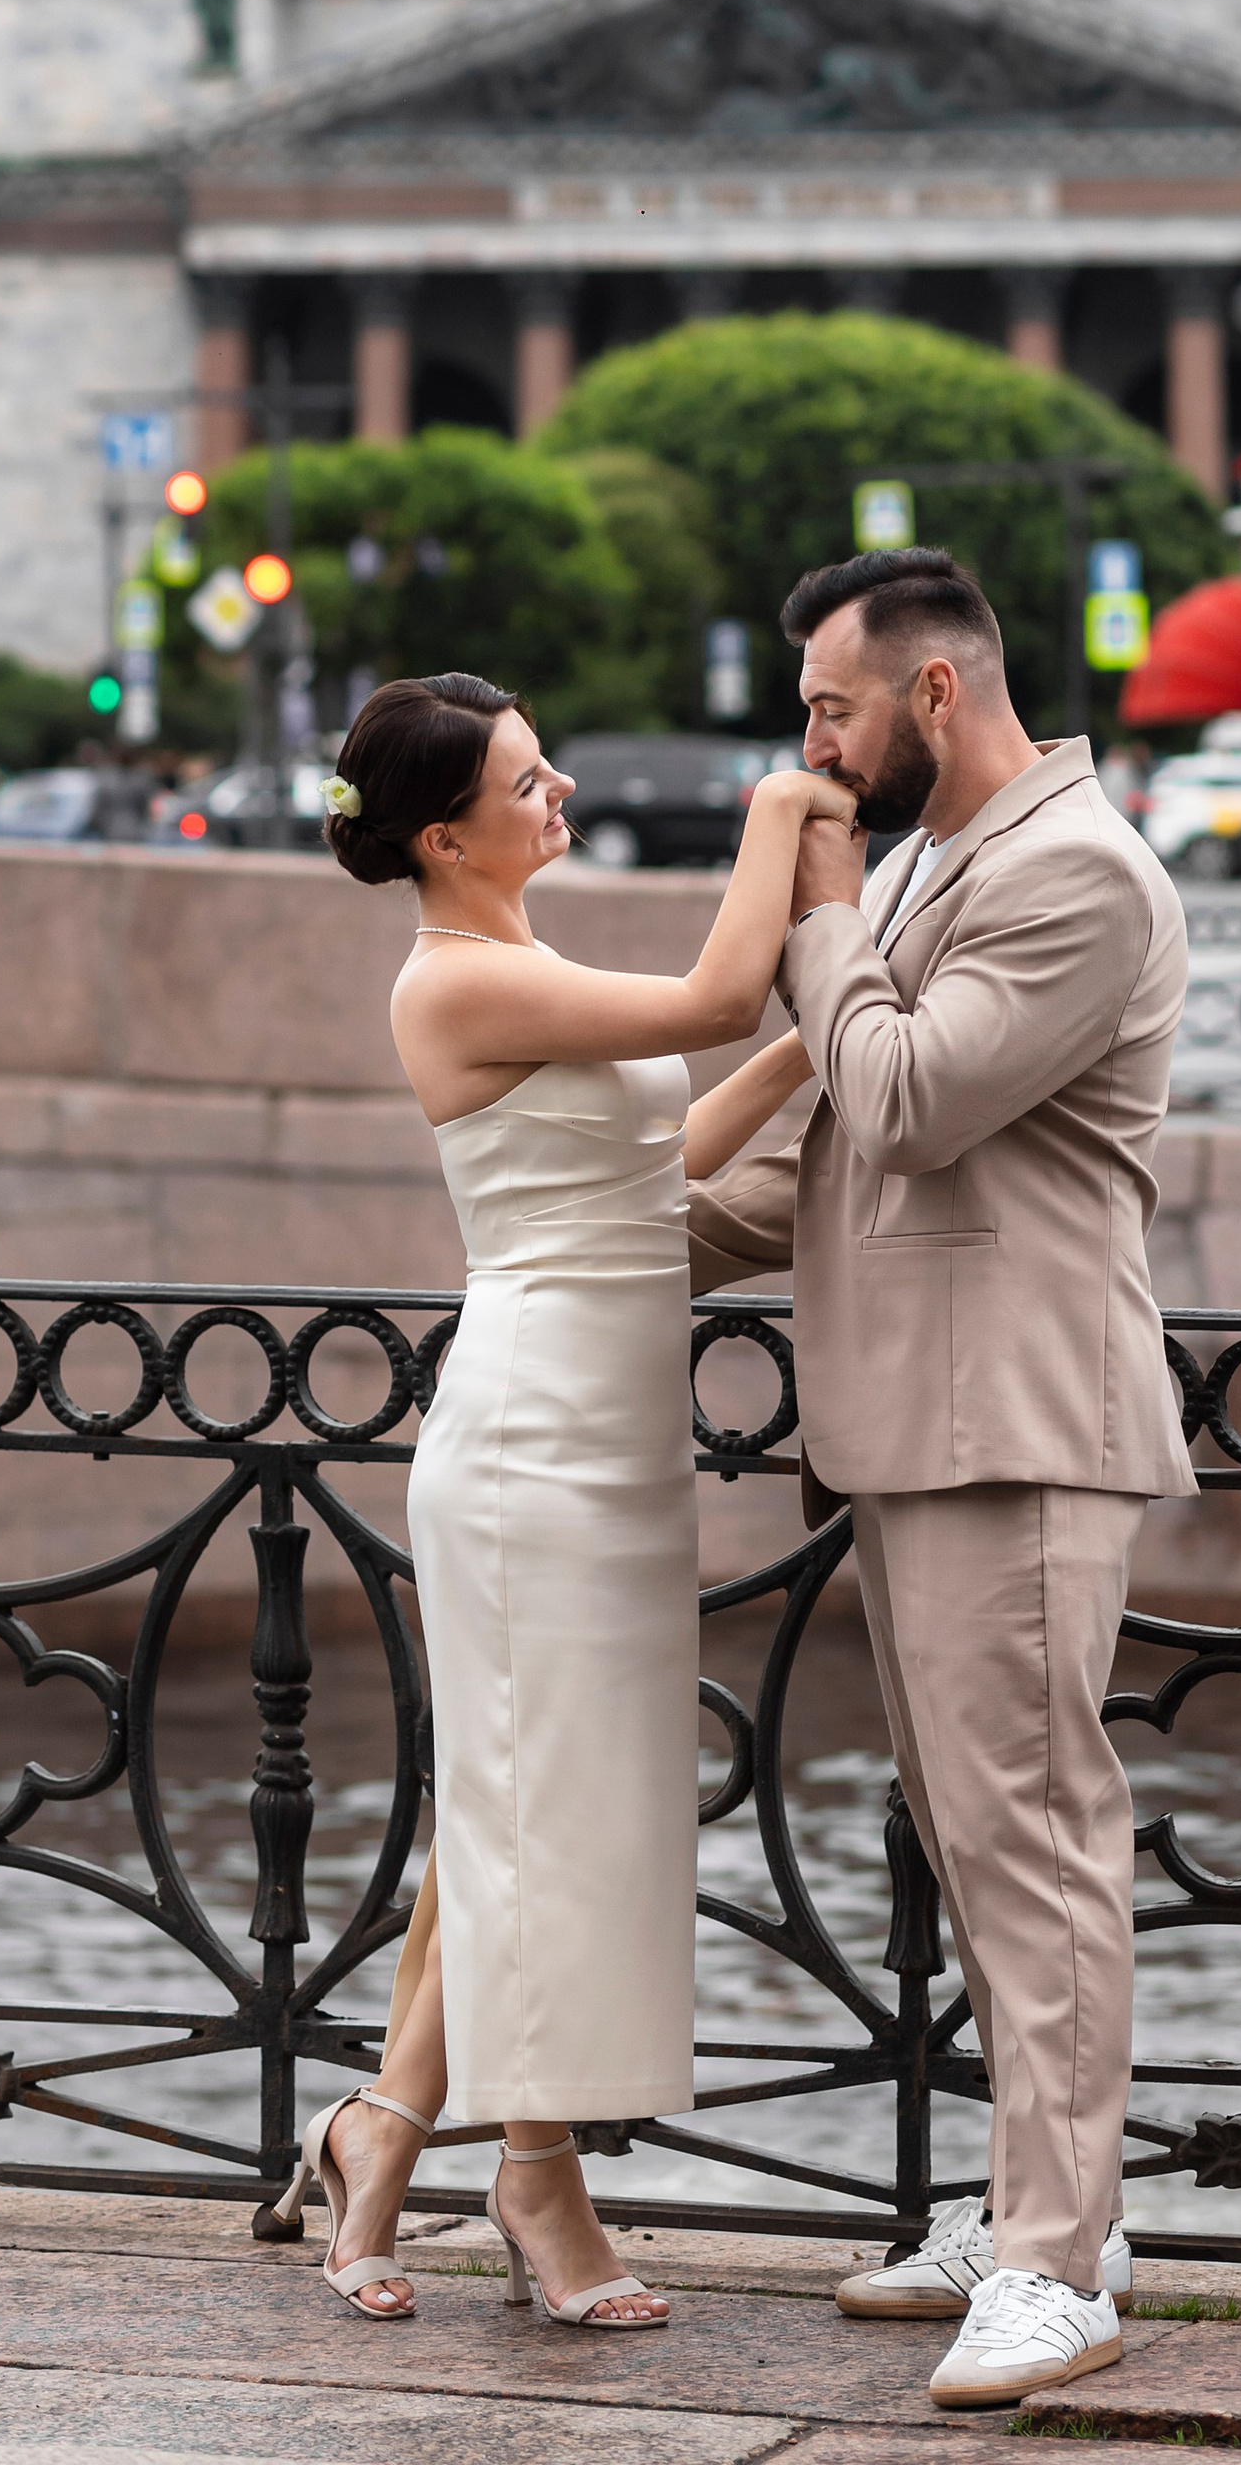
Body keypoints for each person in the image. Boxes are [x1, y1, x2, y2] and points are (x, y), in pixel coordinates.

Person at [272, 670, 853, 2331]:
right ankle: (538, 2179)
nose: (562, 796)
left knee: (534, 1807)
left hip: (613, 1437)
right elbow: (713, 995)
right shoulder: (453, 980)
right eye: (528, 784)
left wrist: (819, 1043)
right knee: (550, 1813)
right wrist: (779, 809)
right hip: (530, 1441)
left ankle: (379, 2134)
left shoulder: (520, 961)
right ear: (443, 838)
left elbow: (658, 1164)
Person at [686, 548, 1194, 2416]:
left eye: (831, 707)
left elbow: (903, 1098)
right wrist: (581, 1242)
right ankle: (1040, 2213)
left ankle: (1059, 2264)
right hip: (919, 1421)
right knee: (980, 1845)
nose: (809, 748)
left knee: (1039, 1842)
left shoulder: (1078, 871)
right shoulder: (924, 867)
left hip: (1019, 1421)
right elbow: (823, 1153)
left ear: (935, 692)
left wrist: (821, 916)